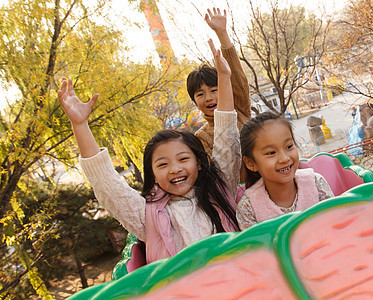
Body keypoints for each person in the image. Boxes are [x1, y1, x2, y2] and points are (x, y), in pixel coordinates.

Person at [57, 39, 240, 264]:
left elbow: (226, 136)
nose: (175, 169)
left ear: (200, 163)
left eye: (183, 158)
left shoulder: (221, 189)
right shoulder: (148, 216)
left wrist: (224, 77)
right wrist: (80, 125)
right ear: (152, 174)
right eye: (162, 164)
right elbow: (107, 184)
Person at [236, 112, 334, 230]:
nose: (285, 158)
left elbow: (335, 224)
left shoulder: (316, 183)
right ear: (250, 163)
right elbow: (255, 247)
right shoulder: (248, 208)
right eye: (271, 153)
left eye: (289, 147)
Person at [187, 8, 250, 159]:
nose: (208, 98)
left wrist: (222, 34)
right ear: (194, 101)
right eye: (200, 94)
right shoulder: (201, 138)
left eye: (214, 90)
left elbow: (237, 77)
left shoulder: (239, 111)